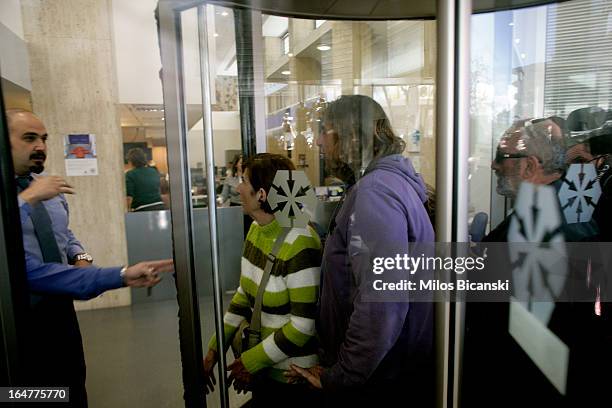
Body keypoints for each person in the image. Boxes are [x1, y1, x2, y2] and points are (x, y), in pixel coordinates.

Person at [7, 109, 174, 407]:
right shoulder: (33, 193)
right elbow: (26, 271)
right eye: (29, 138)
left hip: (60, 311)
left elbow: (65, 235)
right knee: (33, 395)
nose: (41, 146)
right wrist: (27, 199)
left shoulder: (48, 187)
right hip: (19, 320)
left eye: (44, 139)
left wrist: (80, 255)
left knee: (71, 385)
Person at [288, 95, 435, 406]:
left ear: (351, 135)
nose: (317, 142)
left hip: (378, 379)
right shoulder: (384, 183)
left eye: (325, 131)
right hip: (386, 369)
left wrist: (343, 375)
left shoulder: (375, 191)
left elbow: (382, 301)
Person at [202, 153, 322, 407]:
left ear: (262, 195)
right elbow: (244, 295)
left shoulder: (301, 241)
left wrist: (250, 361)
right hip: (264, 369)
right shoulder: (256, 230)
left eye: (244, 180)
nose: (237, 187)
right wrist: (215, 348)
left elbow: (302, 327)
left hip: (293, 376)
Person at [125, 147, 165, 211]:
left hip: (142, 209)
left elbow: (129, 197)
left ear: (131, 161)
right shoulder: (154, 171)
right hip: (160, 206)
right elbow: (159, 189)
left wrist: (128, 210)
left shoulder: (130, 174)